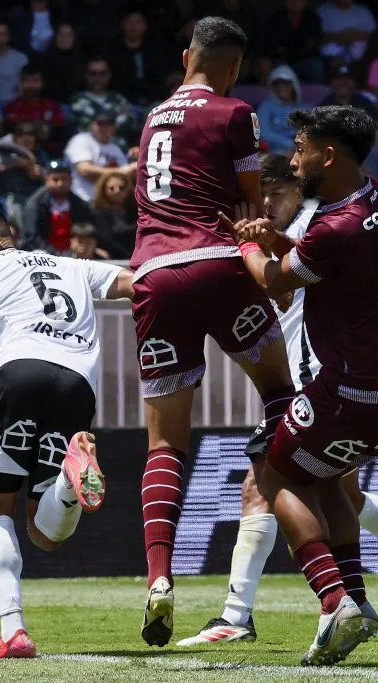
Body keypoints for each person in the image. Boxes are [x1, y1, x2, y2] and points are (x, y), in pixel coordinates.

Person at [130, 17, 300, 648]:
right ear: (233, 70)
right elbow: (250, 207)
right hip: (217, 260)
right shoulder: (235, 113)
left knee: (164, 443)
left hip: (151, 273)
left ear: (185, 57)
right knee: (282, 394)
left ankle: (157, 577)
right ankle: (329, 544)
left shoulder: (150, 116)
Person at [219, 105, 378, 664]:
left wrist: (245, 243)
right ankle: (357, 601)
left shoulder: (333, 226)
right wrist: (280, 241)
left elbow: (274, 280)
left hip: (345, 390)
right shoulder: (366, 203)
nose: (293, 158)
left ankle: (334, 600)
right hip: (371, 390)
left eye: (301, 147)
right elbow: (330, 262)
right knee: (331, 480)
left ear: (328, 155)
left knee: (274, 476)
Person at [0, 202, 133, 658]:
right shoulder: (73, 265)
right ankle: (70, 481)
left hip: (17, 373)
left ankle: (14, 632)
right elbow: (137, 283)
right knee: (45, 533)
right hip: (77, 386)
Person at [21, 159, 93, 253]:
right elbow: (32, 236)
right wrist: (55, 255)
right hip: (44, 256)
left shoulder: (81, 205)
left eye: (64, 179)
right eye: (55, 179)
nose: (60, 184)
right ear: (47, 180)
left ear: (71, 180)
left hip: (74, 254)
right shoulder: (34, 204)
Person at [64, 112, 135, 203]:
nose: (104, 128)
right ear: (91, 125)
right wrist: (121, 171)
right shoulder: (81, 140)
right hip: (83, 200)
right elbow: (84, 170)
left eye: (108, 124)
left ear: (114, 127)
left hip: (107, 204)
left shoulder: (115, 149)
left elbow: (124, 176)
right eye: (100, 124)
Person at [258, 65, 305, 156]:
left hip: (302, 151)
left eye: (286, 83)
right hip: (274, 153)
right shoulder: (265, 107)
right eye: (277, 84)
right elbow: (263, 133)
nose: (281, 87)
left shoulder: (305, 108)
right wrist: (290, 144)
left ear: (294, 84)